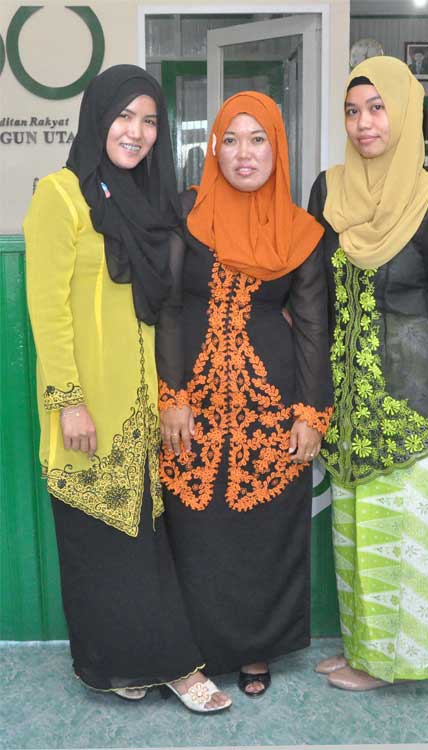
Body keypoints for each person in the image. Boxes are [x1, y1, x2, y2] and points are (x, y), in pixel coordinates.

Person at [23, 64, 231, 712]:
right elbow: (47, 311)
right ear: (97, 118)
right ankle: (155, 667)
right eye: (123, 116)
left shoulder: (149, 203)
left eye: (149, 121)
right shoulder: (60, 196)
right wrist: (68, 402)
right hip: (86, 407)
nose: (136, 132)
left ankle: (135, 662)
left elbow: (163, 307)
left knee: (139, 545)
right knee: (94, 548)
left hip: (138, 408)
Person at [308, 56, 428, 691]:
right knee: (356, 533)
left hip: (412, 397)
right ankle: (362, 650)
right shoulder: (329, 191)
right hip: (348, 398)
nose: (364, 123)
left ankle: (392, 663)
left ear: (404, 113)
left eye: (377, 108)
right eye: (353, 111)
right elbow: (316, 293)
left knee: (402, 537)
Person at [156, 91, 332, 696]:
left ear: (277, 148)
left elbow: (312, 325)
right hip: (194, 399)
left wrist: (311, 412)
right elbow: (168, 307)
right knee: (196, 528)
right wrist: (172, 395)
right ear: (214, 148)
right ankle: (200, 647)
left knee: (264, 527)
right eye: (230, 140)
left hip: (270, 402)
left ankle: (257, 649)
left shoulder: (301, 231)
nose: (244, 153)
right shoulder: (186, 212)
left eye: (258, 140)